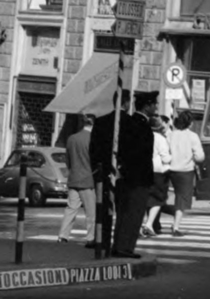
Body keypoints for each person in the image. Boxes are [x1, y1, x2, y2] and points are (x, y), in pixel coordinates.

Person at [92, 96, 156, 257]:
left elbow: (95, 151)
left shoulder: (108, 121)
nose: (156, 106)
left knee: (115, 212)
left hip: (114, 175)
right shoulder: (135, 124)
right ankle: (123, 247)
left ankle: (110, 244)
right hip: (135, 177)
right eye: (154, 103)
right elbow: (135, 152)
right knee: (131, 214)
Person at [56, 113, 96, 244]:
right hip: (88, 179)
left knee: (71, 209)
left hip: (74, 178)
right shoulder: (93, 139)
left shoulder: (71, 138)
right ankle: (90, 238)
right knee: (91, 212)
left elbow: (68, 160)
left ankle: (63, 236)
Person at [164, 110, 206, 236]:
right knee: (181, 200)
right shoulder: (193, 136)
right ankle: (175, 227)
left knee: (162, 195)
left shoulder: (170, 135)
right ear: (190, 123)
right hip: (186, 171)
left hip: (170, 169)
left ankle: (154, 222)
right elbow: (199, 157)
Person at [143, 112, 173, 237]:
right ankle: (149, 224)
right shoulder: (160, 139)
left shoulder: (143, 136)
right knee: (157, 199)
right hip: (157, 171)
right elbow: (165, 158)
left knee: (145, 199)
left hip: (144, 170)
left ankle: (144, 223)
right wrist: (173, 157)